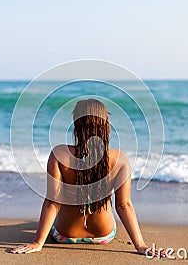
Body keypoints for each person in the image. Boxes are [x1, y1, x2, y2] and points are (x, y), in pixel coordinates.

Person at [11, 99, 164, 257]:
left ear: (76, 126)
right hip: (103, 236)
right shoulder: (120, 159)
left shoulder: (59, 154)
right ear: (106, 125)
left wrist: (38, 242)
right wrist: (140, 245)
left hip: (64, 235)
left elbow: (53, 202)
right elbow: (124, 206)